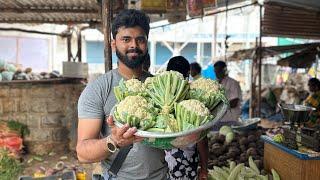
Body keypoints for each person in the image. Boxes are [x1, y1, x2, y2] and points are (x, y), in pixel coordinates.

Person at [76, 9, 167, 180]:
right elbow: (82, 153)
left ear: (146, 43)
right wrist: (114, 141)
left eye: (140, 39)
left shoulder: (160, 87)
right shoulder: (98, 89)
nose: (133, 45)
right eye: (126, 39)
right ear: (113, 44)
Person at [166, 56, 208, 180]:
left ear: (167, 72)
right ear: (188, 74)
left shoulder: (161, 97)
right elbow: (202, 140)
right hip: (186, 161)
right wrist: (204, 169)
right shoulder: (193, 99)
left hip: (160, 161)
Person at [213, 61, 242, 127]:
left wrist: (219, 106)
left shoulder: (233, 83)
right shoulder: (215, 83)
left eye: (219, 71)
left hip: (230, 119)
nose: (217, 73)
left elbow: (234, 102)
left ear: (224, 70)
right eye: (215, 71)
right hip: (218, 119)